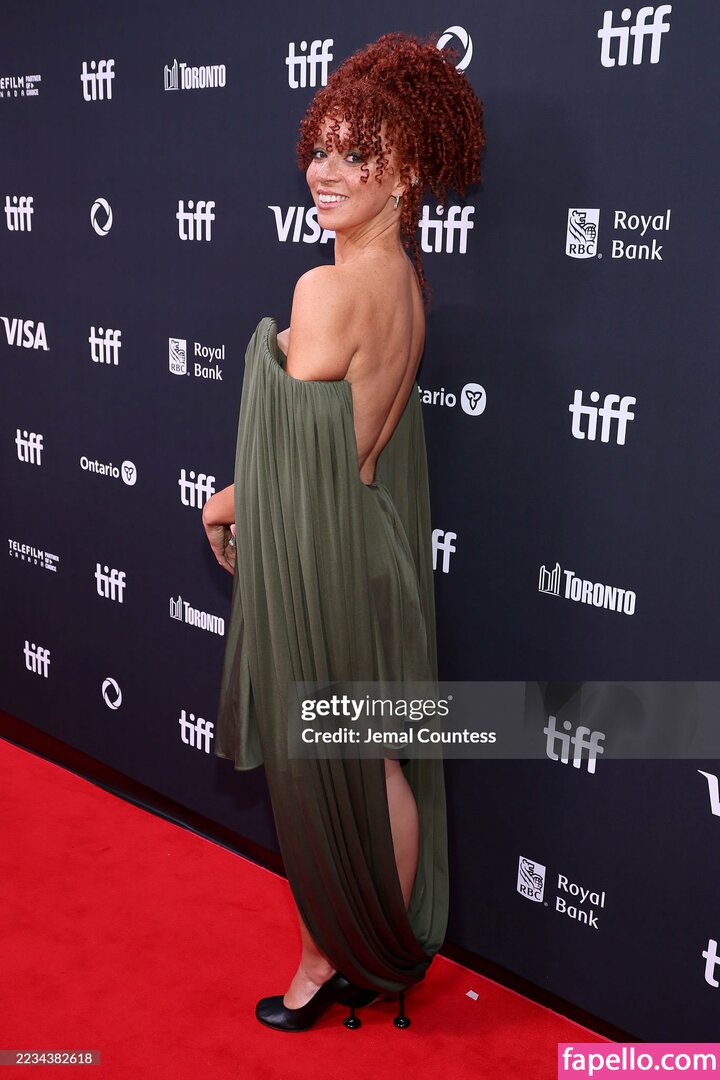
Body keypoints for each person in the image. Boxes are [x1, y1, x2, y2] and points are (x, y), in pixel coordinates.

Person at [201, 31, 485, 1032]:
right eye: (319, 149)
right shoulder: (405, 283)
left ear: (402, 172)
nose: (325, 170)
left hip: (327, 559)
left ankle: (327, 959)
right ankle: (384, 955)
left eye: (354, 154)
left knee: (326, 771)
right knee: (377, 760)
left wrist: (218, 505)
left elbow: (295, 462)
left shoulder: (325, 290)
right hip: (377, 552)